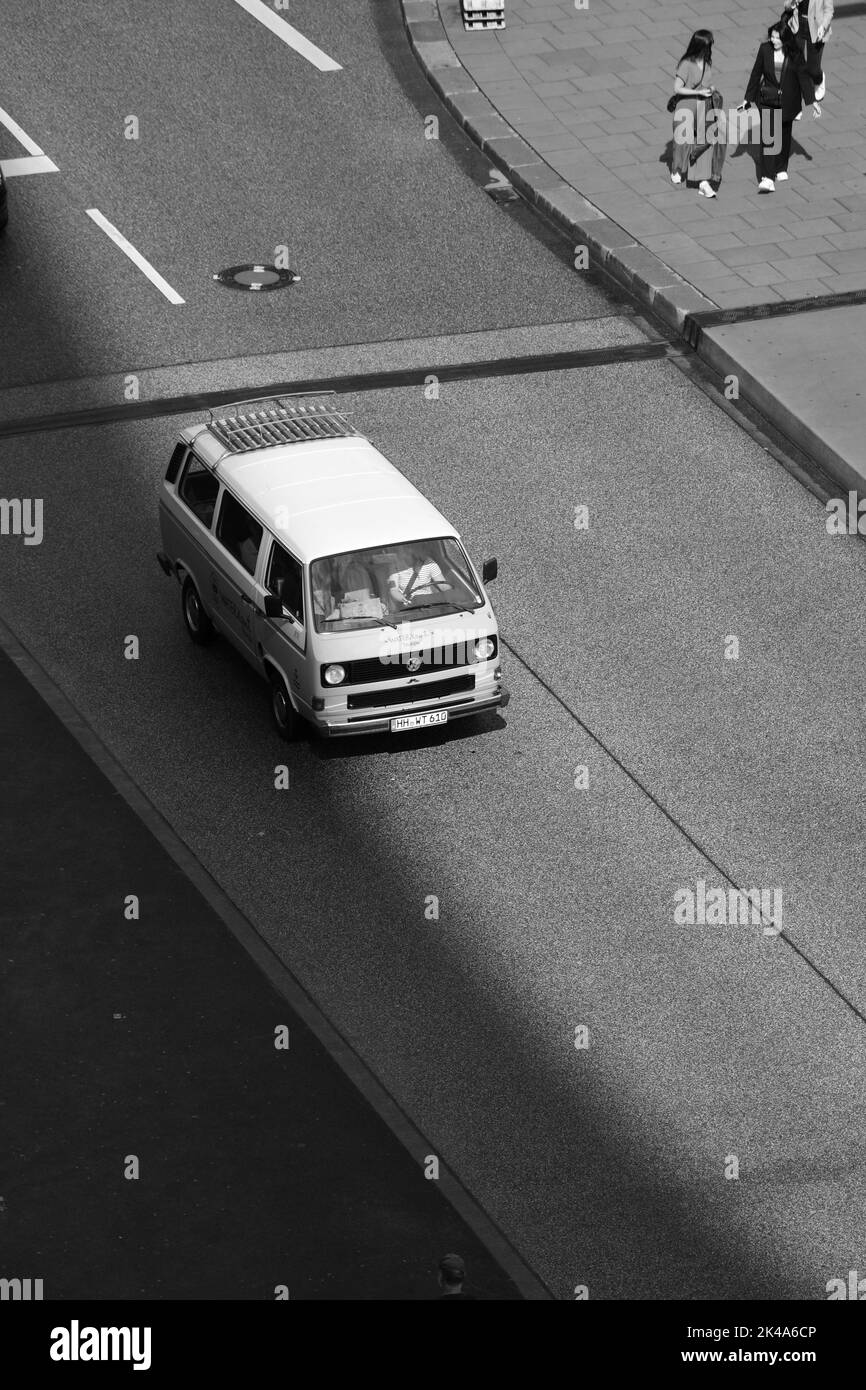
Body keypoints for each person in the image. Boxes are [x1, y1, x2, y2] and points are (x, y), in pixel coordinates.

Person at [744, 23, 808, 191]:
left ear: (785, 39)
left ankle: (780, 167)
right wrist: (748, 98)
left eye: (777, 38)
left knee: (784, 134)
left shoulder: (795, 53)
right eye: (771, 37)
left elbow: (803, 77)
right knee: (769, 138)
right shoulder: (765, 49)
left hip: (789, 101)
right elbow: (756, 73)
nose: (773, 40)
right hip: (768, 99)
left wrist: (812, 101)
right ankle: (767, 177)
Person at [669, 29, 726, 198]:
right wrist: (698, 93)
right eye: (708, 45)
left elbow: (707, 83)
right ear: (700, 45)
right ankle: (677, 168)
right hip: (686, 106)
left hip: (703, 106)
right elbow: (677, 88)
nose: (710, 49)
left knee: (704, 141)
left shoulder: (707, 63)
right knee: (682, 140)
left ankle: (702, 181)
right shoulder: (687, 63)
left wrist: (710, 90)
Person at [782, 0, 833, 108]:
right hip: (798, 25)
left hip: (816, 28)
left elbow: (829, 11)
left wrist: (823, 26)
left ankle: (819, 79)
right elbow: (786, 5)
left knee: (813, 69)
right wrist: (794, 2)